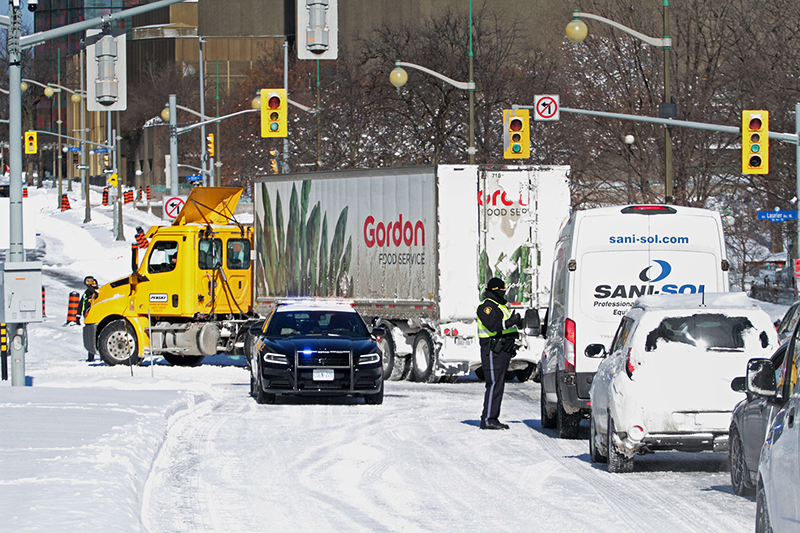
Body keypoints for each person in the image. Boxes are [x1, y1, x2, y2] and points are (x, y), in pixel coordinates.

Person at [477, 277, 522, 430]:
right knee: (494, 384)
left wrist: (517, 324)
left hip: (502, 351)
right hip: (492, 351)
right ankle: (488, 419)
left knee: (498, 384)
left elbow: (505, 328)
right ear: (495, 291)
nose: (504, 292)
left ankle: (492, 417)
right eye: (502, 290)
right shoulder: (486, 307)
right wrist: (510, 322)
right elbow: (494, 326)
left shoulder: (500, 306)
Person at [78, 276, 99, 361]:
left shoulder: (99, 292)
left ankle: (102, 356)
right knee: (91, 337)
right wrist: (77, 316)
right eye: (91, 283)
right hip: (88, 317)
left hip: (98, 317)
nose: (93, 285)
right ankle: (91, 357)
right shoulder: (86, 294)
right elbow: (81, 305)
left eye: (94, 283)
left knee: (99, 336)